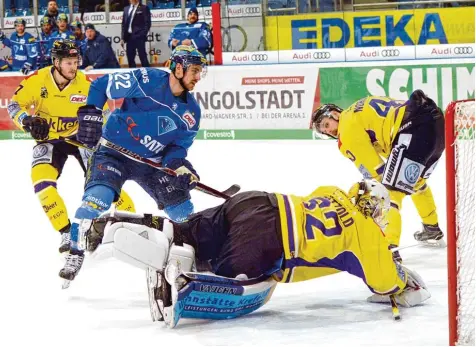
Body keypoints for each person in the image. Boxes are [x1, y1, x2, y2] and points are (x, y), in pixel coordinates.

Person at [85, 179, 431, 327]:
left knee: (187, 232)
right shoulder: (368, 235)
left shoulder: (335, 191)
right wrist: (403, 279)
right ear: (375, 210)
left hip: (253, 201)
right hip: (267, 238)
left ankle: (121, 224)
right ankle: (177, 282)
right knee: (239, 281)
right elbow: (385, 283)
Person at [58, 45, 208, 284]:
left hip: (151, 164)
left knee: (183, 212)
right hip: (112, 154)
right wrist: (91, 112)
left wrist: (181, 167)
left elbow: (177, 149)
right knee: (97, 199)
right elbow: (100, 86)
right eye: (195, 71)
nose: (198, 78)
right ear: (178, 68)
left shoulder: (192, 112)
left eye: (201, 72)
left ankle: (196, 259)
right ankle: (75, 252)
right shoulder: (146, 79)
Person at [7, 40, 135, 257]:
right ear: (56, 62)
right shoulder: (37, 81)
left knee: (106, 180)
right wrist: (26, 121)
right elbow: (13, 105)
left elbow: (103, 115)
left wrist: (98, 131)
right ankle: (66, 231)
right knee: (42, 183)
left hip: (80, 139)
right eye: (68, 62)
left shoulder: (85, 84)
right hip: (49, 140)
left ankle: (132, 222)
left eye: (76, 62)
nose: (73, 67)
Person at [311, 91, 445, 260]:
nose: (328, 131)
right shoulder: (358, 107)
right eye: (323, 131)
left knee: (390, 191)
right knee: (415, 183)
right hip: (436, 124)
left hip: (412, 130)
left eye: (326, 124)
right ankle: (431, 228)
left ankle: (389, 250)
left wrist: (381, 189)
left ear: (336, 114)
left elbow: (377, 173)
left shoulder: (346, 132)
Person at [120, 0, 151, 68]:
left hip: (139, 36)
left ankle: (148, 72)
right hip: (129, 37)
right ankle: (133, 72)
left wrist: (143, 34)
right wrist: (122, 38)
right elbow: (123, 24)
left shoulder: (144, 8)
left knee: (142, 56)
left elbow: (147, 23)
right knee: (130, 57)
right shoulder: (126, 9)